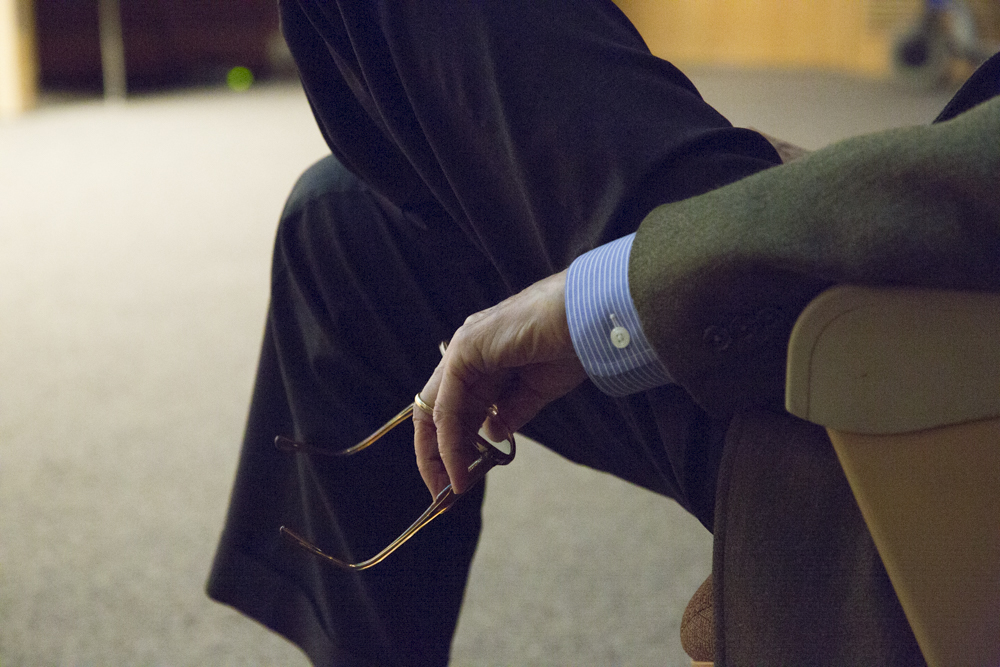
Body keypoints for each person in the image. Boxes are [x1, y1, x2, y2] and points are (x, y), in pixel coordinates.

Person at [206, 1, 1000, 664]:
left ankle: (708, 235)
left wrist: (616, 285)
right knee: (344, 225)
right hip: (938, 296)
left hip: (924, 389)